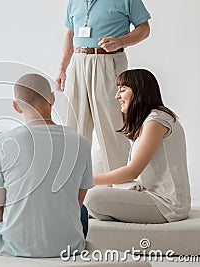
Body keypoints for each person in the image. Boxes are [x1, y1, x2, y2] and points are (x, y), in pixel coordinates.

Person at [0, 73, 93, 257]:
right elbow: (76, 203)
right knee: (81, 211)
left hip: (15, 245)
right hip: (69, 246)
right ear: (52, 98)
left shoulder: (3, 141)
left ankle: (17, 236)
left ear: (16, 106)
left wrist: (18, 223)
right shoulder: (81, 142)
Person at [56, 0, 151, 174]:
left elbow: (144, 28)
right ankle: (74, 183)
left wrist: (120, 41)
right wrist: (63, 67)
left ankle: (119, 183)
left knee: (112, 125)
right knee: (74, 125)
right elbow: (70, 33)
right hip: (78, 62)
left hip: (109, 61)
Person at [85, 69, 191, 223]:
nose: (117, 96)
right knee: (93, 197)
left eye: (122, 90)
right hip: (154, 196)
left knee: (93, 198)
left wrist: (86, 179)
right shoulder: (151, 120)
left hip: (167, 204)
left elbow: (132, 172)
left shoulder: (156, 121)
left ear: (139, 92)